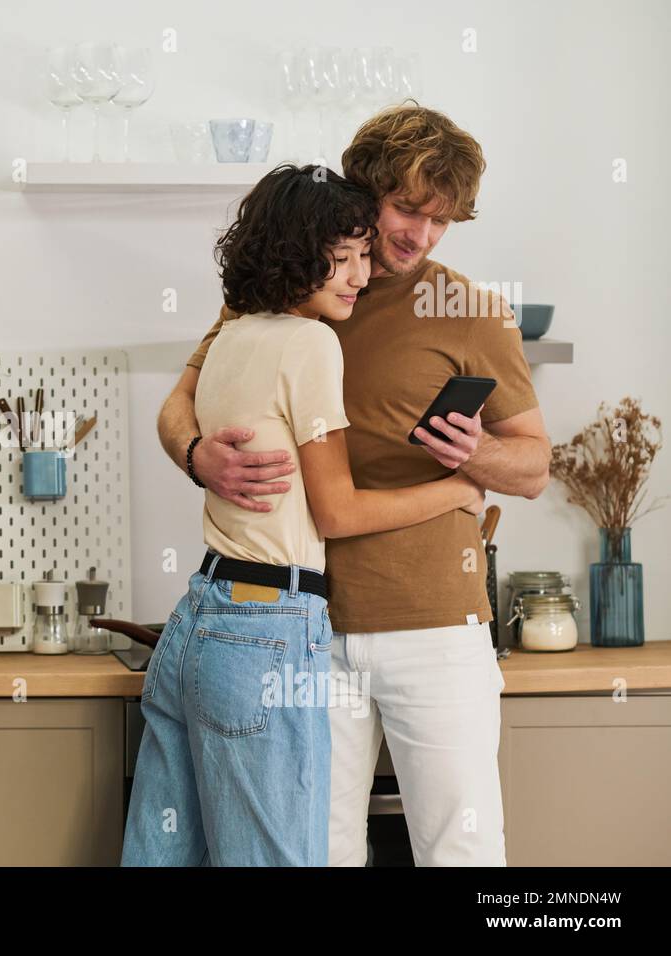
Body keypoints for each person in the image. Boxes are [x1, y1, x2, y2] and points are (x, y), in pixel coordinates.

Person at [155, 104, 551, 866]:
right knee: (321, 850)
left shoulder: (469, 309)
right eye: (408, 208)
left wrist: (474, 456)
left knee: (460, 852)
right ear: (364, 188)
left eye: (443, 222)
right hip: (309, 631)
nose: (421, 235)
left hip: (438, 629)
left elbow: (533, 463)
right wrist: (197, 453)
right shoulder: (284, 288)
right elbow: (179, 403)